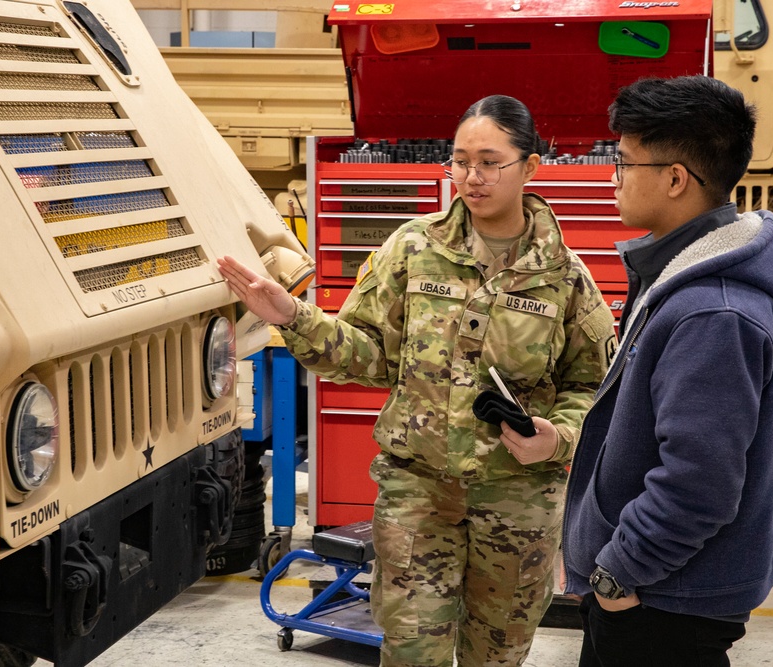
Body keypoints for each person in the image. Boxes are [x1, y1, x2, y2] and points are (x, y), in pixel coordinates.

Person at [219, 94, 614, 666]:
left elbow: (593, 388)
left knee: (496, 656)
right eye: (459, 162)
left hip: (518, 503)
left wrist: (559, 437)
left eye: (489, 162)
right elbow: (366, 355)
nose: (470, 178)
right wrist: (293, 317)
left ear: (530, 167)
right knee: (410, 651)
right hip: (419, 494)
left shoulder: (566, 279)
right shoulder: (411, 251)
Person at [562, 75, 773, 667]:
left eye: (623, 162)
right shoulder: (682, 280)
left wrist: (618, 576)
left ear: (675, 178)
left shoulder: (715, 310)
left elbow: (699, 483)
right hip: (659, 591)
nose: (612, 177)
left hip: (663, 601)